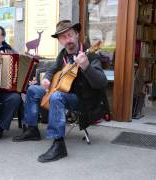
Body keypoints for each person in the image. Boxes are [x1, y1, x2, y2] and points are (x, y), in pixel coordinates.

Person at [12, 20, 108, 162]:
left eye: (69, 35)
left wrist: (87, 67)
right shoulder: (63, 54)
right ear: (59, 41)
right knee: (32, 90)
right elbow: (53, 69)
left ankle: (59, 144)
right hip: (61, 91)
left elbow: (101, 82)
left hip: (82, 99)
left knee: (57, 96)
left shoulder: (91, 56)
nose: (67, 39)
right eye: (63, 37)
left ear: (76, 34)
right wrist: (48, 79)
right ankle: (32, 129)